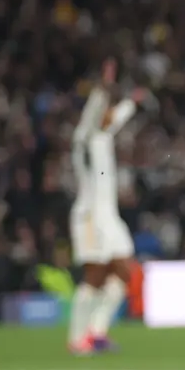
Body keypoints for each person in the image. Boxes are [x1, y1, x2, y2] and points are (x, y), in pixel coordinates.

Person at [67, 58, 142, 354]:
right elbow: (95, 115)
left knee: (124, 273)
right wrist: (103, 88)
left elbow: (113, 120)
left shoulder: (103, 136)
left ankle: (96, 332)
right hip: (89, 216)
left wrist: (131, 103)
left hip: (108, 216)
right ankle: (77, 340)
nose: (109, 114)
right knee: (95, 277)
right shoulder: (84, 138)